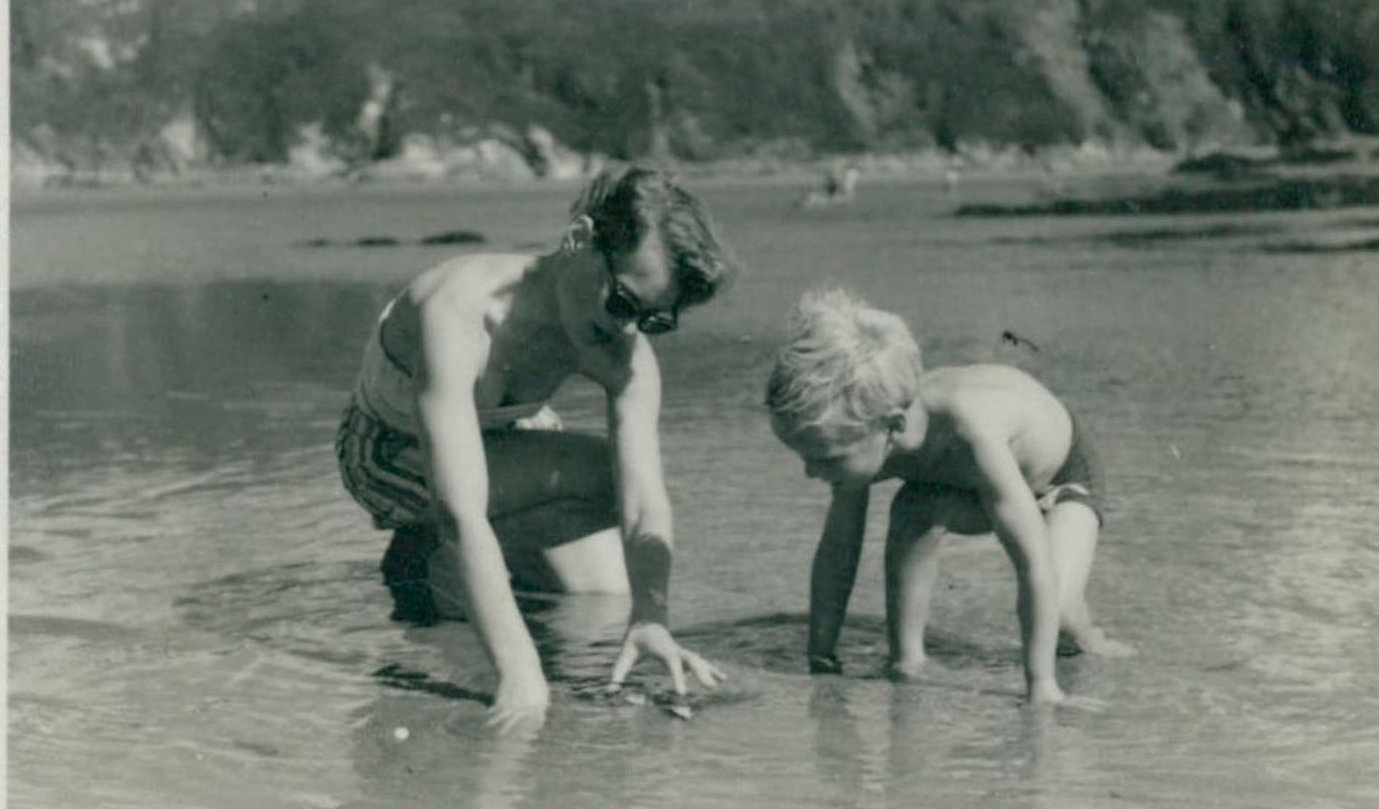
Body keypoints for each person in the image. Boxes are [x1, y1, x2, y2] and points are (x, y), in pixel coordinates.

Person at [335, 166, 734, 730]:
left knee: (604, 595)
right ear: (579, 240)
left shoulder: (622, 347)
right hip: (388, 454)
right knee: (579, 495)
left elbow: (644, 501)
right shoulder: (459, 310)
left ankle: (453, 577)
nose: (629, 329)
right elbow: (460, 510)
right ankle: (426, 561)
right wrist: (519, 671)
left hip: (505, 447)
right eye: (622, 302)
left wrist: (652, 617)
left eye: (654, 318)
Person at [764, 289, 1133, 705]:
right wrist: (821, 658)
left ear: (892, 425)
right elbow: (837, 554)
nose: (810, 472)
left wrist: (1041, 686)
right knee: (912, 506)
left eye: (825, 458)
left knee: (1062, 618)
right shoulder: (868, 427)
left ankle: (1086, 635)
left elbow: (1032, 563)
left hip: (1060, 474)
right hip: (963, 483)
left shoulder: (971, 430)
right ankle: (906, 660)